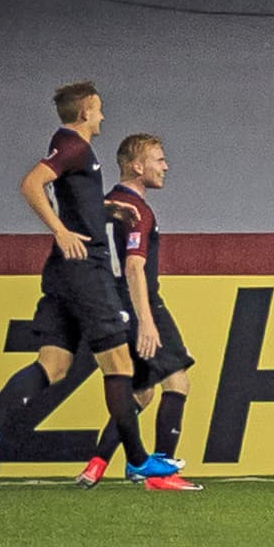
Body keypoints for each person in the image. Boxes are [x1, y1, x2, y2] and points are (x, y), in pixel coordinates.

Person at [0, 82, 181, 483]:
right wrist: (60, 230)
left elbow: (76, 201)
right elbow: (31, 184)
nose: (101, 116)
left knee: (55, 364)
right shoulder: (74, 145)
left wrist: (107, 209)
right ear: (84, 112)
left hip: (63, 271)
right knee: (119, 365)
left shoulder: (73, 150)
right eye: (98, 110)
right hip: (85, 269)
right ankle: (136, 459)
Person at [75, 134, 201, 491]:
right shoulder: (136, 210)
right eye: (159, 159)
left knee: (142, 391)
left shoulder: (103, 206)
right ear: (136, 165)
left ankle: (97, 464)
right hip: (140, 302)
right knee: (177, 381)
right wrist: (146, 320)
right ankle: (161, 474)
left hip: (111, 305)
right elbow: (134, 267)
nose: (165, 166)